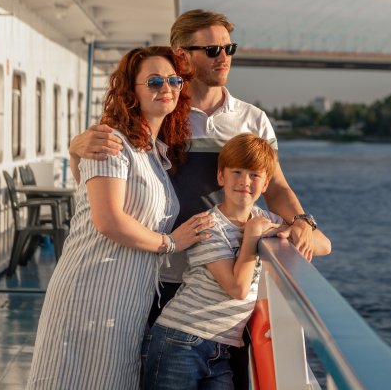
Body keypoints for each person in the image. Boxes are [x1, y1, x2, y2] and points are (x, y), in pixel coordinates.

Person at [69, 10, 325, 388]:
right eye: (212, 50)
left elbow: (276, 187)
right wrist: (76, 148)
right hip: (157, 275)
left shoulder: (252, 119)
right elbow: (115, 162)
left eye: (228, 48)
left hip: (220, 287)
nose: (224, 57)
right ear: (182, 55)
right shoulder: (164, 109)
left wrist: (302, 221)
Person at [29, 47, 215, 390]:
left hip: (127, 300)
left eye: (174, 80)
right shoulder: (111, 141)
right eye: (154, 81)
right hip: (90, 291)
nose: (167, 88)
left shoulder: (155, 154)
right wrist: (171, 243)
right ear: (132, 91)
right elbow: (108, 220)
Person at [140, 133, 331, 389]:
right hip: (180, 339)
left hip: (222, 348)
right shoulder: (208, 226)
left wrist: (292, 228)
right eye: (237, 172)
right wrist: (252, 237)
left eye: (254, 175)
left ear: (266, 184)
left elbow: (325, 245)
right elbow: (237, 288)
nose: (244, 181)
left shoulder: (264, 219)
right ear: (221, 177)